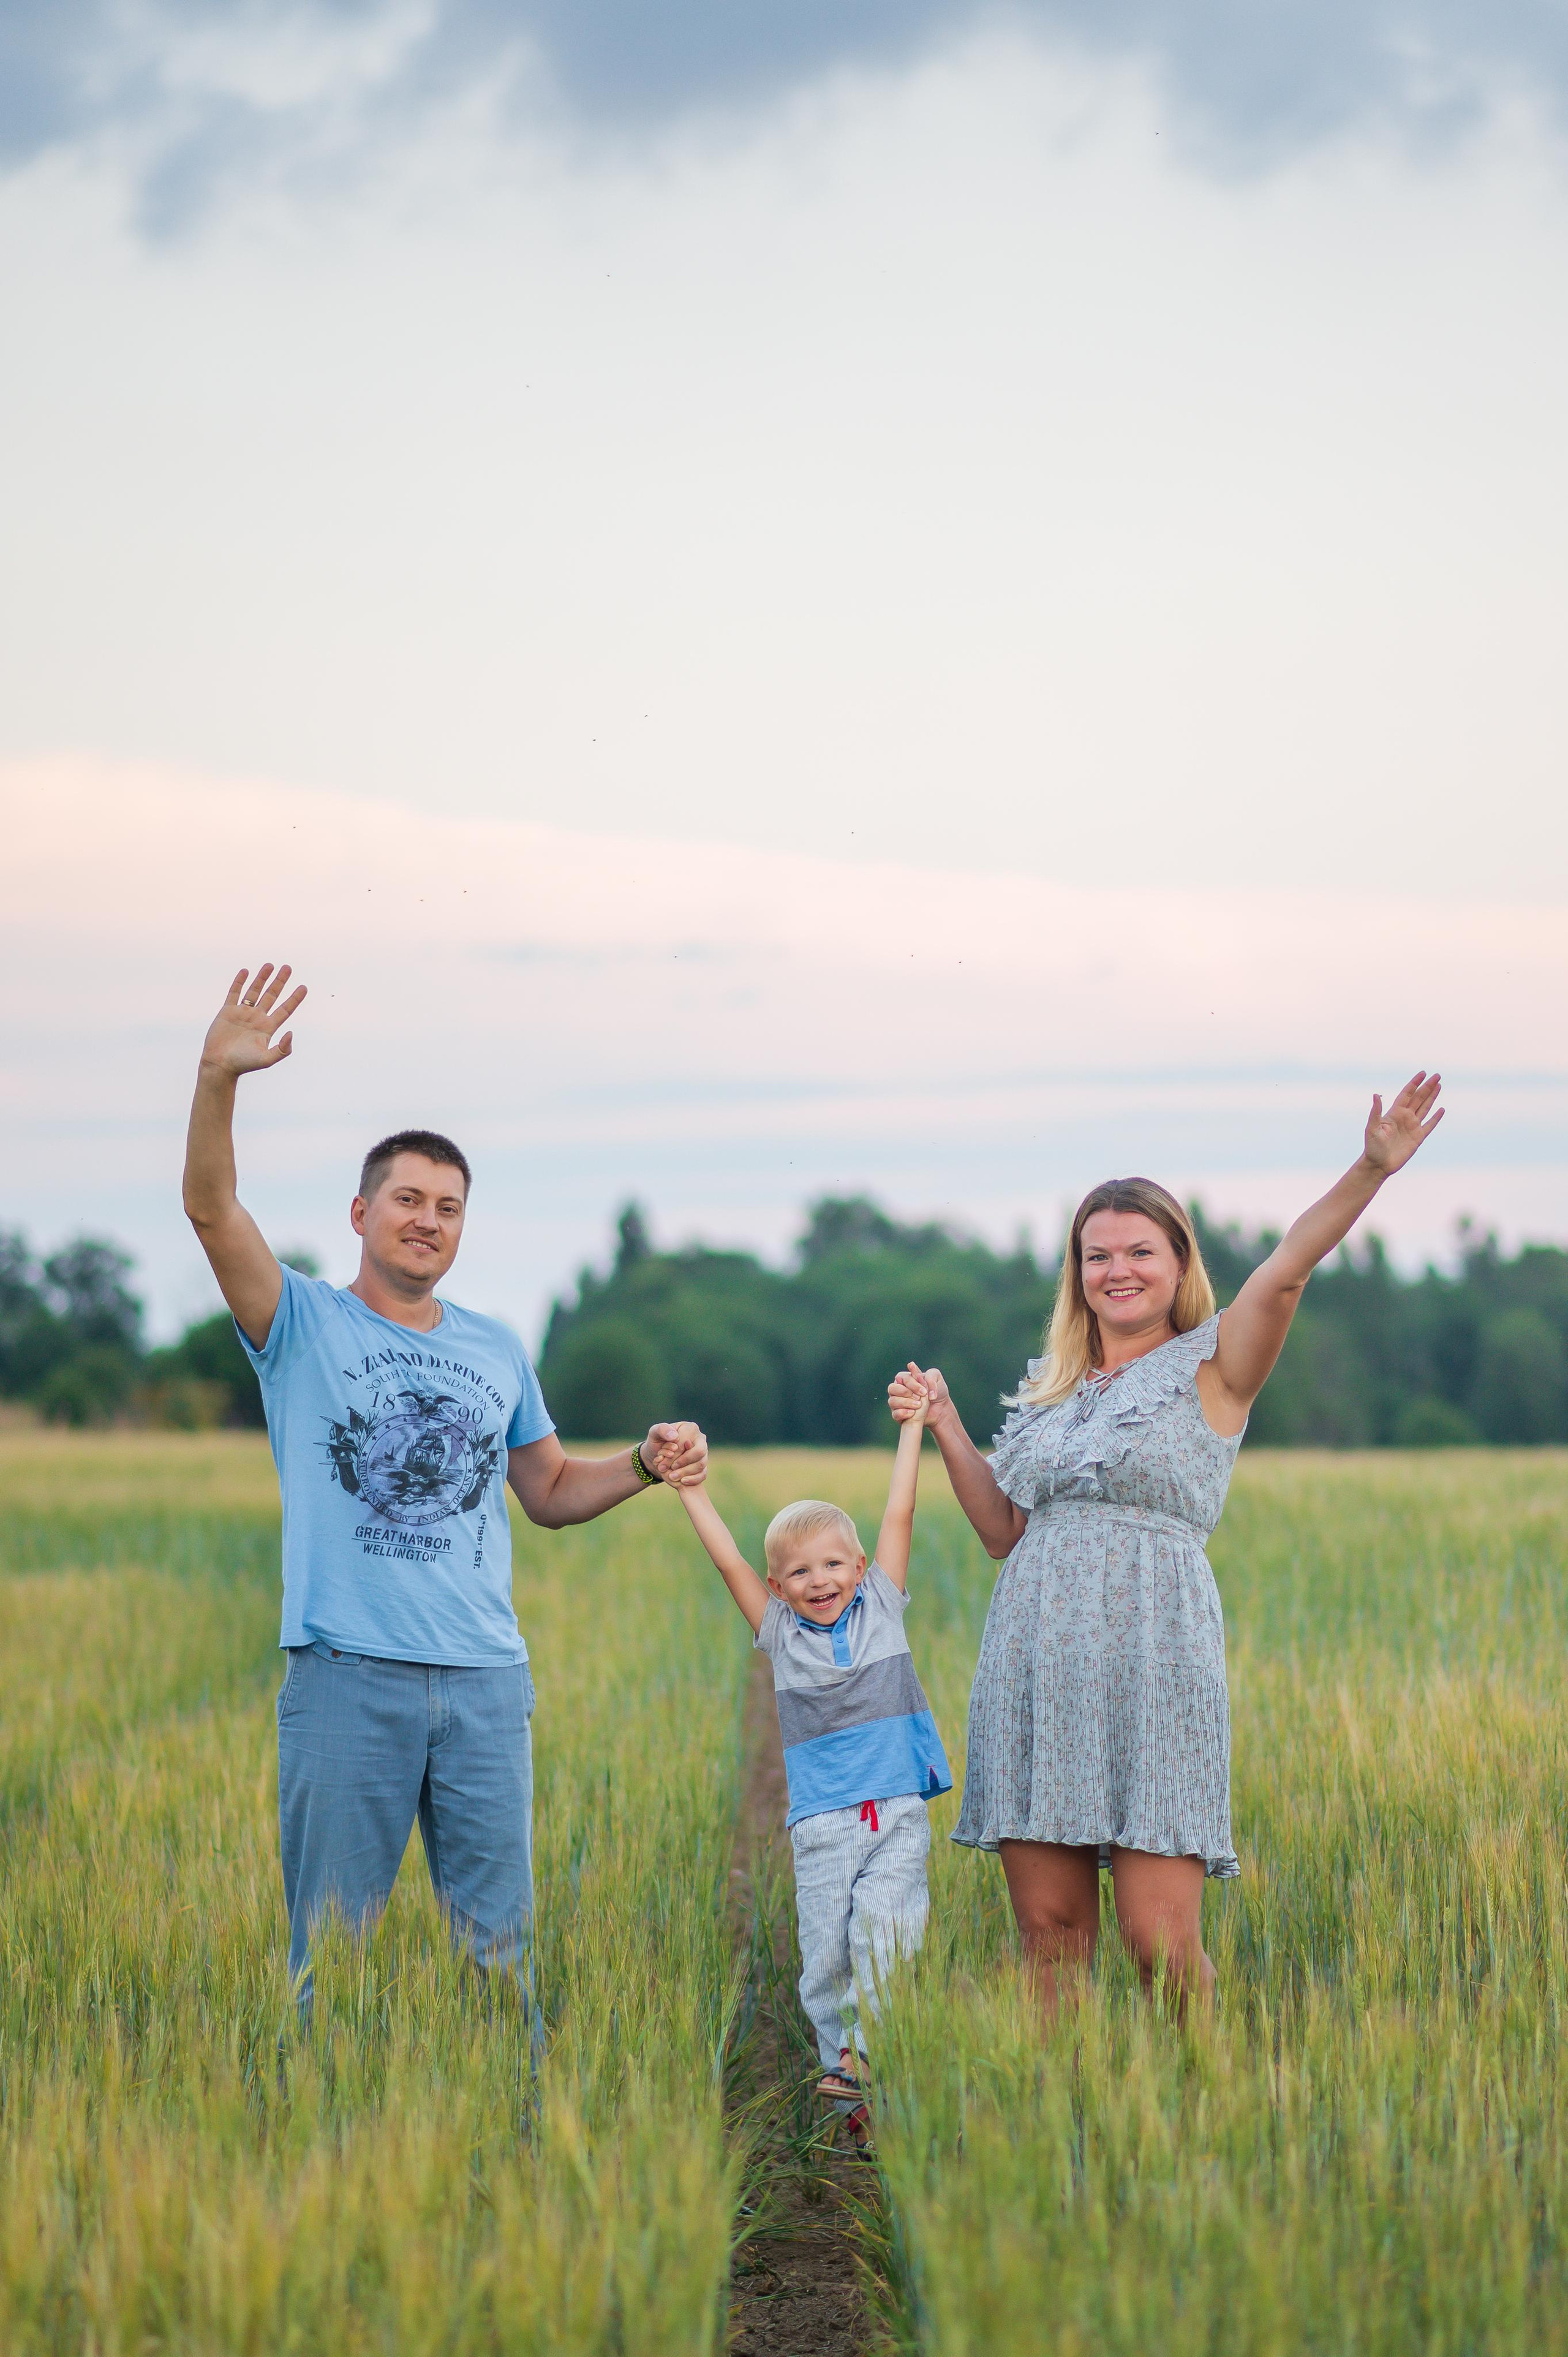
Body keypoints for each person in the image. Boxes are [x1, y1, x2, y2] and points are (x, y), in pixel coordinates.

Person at [181, 962, 707, 2005]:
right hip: (350, 1674)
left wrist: (644, 1465)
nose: (428, 1219)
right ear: (361, 1212)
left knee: (500, 1955)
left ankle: (509, 2147)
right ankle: (328, 2154)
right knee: (332, 1959)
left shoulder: (496, 1347)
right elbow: (209, 1208)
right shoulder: (303, 1324)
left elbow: (549, 1489)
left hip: (483, 1681)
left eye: (449, 1207)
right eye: (409, 1200)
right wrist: (217, 1075)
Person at [895, 1072, 1445, 2016]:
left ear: (1178, 1259)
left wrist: (1369, 1169)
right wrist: (946, 1423)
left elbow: (1286, 1270)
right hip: (1037, 1665)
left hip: (1159, 1661)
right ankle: (1060, 2137)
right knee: (1052, 1939)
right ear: (1076, 1271)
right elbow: (1003, 1532)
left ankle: (1195, 2124)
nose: (1118, 1269)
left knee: (1161, 1941)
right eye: (1096, 1254)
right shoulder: (1052, 1392)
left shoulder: (1217, 1365)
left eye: (1140, 1250)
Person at [674, 1375, 951, 2149]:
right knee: (823, 1966)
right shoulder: (779, 1635)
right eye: (799, 1572)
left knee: (884, 1941)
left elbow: (900, 1510)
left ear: (860, 1567)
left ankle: (865, 2057)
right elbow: (728, 1558)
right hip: (822, 1827)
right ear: (778, 1588)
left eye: (833, 1565)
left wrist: (913, 1428)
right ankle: (855, 2091)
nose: (819, 1580)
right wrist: (689, 1490)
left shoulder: (883, 1604)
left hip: (893, 1809)